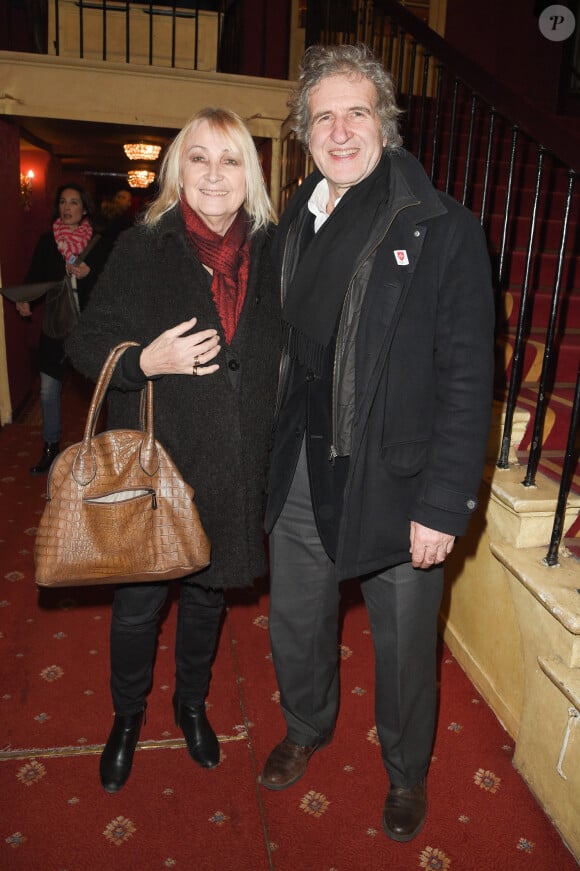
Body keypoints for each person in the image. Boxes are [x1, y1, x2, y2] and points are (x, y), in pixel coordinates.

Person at [260, 43, 495, 844]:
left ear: (384, 124)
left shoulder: (443, 228)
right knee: (295, 617)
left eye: (357, 110)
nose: (340, 128)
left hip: (398, 475)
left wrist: (442, 502)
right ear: (305, 132)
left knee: (400, 644)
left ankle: (404, 772)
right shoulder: (296, 215)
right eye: (323, 115)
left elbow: (468, 380)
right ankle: (306, 724)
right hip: (301, 460)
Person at [65, 107, 280, 794]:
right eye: (199, 158)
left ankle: (191, 705)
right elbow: (84, 343)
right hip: (159, 463)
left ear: (251, 172)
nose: (215, 174)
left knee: (209, 596)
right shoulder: (142, 247)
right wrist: (143, 361)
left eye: (230, 159)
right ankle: (127, 717)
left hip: (237, 463)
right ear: (176, 173)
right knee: (138, 606)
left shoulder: (277, 250)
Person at [16, 183, 111, 474]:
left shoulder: (98, 242)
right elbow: (35, 275)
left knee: (100, 391)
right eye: (62, 202)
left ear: (84, 209)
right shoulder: (48, 242)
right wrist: (25, 300)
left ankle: (102, 452)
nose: (67, 208)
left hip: (88, 329)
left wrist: (89, 274)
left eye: (73, 203)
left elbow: (112, 286)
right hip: (56, 326)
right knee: (48, 389)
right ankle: (50, 448)